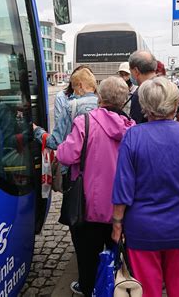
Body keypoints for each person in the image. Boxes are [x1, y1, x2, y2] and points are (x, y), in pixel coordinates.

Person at [111, 77, 179, 297]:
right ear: (174, 102)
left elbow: (123, 186)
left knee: (146, 289)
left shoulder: (133, 136)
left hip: (142, 227)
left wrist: (117, 223)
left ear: (145, 105)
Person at [56, 76, 135, 296]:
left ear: (100, 97)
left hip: (87, 207)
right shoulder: (132, 127)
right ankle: (114, 288)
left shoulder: (85, 122)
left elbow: (65, 155)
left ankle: (89, 288)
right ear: (125, 100)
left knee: (87, 258)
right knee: (116, 255)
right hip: (121, 209)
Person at [33, 68, 98, 150]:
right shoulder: (104, 106)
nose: (74, 93)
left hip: (78, 162)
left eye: (74, 89)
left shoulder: (71, 106)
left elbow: (55, 142)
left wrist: (37, 130)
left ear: (80, 86)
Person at [128, 50, 179, 124]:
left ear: (136, 71)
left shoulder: (140, 94)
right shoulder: (167, 87)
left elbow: (136, 128)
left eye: (130, 71)